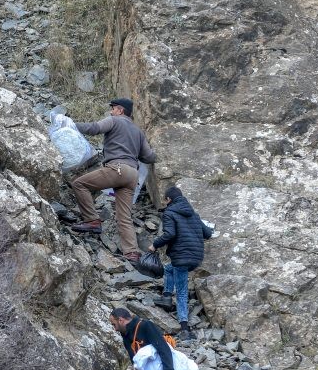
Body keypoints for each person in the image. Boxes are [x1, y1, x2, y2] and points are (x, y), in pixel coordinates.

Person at [70, 99, 156, 262]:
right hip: (132, 175)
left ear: (121, 111)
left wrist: (70, 125)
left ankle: (92, 220)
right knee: (124, 216)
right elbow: (149, 157)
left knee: (79, 184)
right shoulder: (138, 132)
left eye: (113, 109)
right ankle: (131, 253)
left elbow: (94, 128)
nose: (111, 112)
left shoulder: (114, 121)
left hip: (117, 168)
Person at [149, 186, 213, 341]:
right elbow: (208, 234)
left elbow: (170, 234)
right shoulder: (194, 215)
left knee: (182, 291)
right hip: (196, 257)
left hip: (181, 257)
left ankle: (184, 327)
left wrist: (155, 244)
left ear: (169, 199)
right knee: (169, 269)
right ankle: (166, 295)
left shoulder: (169, 213)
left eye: (165, 200)